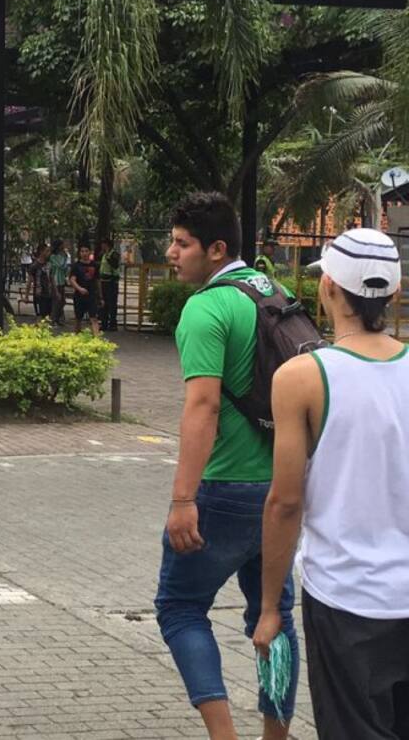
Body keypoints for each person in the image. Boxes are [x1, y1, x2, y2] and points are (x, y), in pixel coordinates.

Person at [252, 228, 409, 740]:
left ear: (329, 289)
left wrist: (270, 606)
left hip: (346, 598)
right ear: (394, 293)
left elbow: (285, 502)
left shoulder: (302, 377)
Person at [155, 192, 298, 739]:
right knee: (273, 616)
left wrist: (183, 499)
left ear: (216, 250)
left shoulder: (205, 308)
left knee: (179, 607)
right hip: (281, 488)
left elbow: (203, 406)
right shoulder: (274, 292)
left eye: (182, 243)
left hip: (224, 489)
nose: (171, 253)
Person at [68, 243, 101, 336]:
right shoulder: (76, 266)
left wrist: (100, 295)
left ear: (90, 252)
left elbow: (98, 281)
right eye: (82, 251)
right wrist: (79, 289)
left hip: (92, 295)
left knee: (94, 318)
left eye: (86, 251)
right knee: (78, 319)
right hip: (79, 296)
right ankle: (76, 337)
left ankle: (97, 339)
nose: (84, 253)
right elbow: (72, 280)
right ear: (79, 253)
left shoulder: (95, 265)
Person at [99, 238, 121, 331]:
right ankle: (104, 323)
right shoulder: (103, 254)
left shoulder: (114, 254)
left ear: (107, 244)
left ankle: (113, 324)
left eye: (103, 244)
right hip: (104, 281)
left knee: (112, 303)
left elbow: (115, 265)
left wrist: (108, 257)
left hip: (112, 281)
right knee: (104, 303)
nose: (102, 246)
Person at [48, 239, 70, 326]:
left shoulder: (63, 256)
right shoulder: (53, 257)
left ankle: (58, 318)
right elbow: (60, 265)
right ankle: (53, 320)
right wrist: (65, 259)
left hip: (61, 280)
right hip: (55, 280)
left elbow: (65, 268)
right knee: (56, 300)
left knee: (62, 301)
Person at [28, 243, 52, 318]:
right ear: (41, 251)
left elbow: (51, 278)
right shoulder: (34, 265)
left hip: (49, 293)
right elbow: (29, 281)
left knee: (48, 316)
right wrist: (26, 295)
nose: (49, 253)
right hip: (39, 294)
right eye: (47, 251)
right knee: (40, 316)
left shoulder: (49, 264)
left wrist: (55, 292)